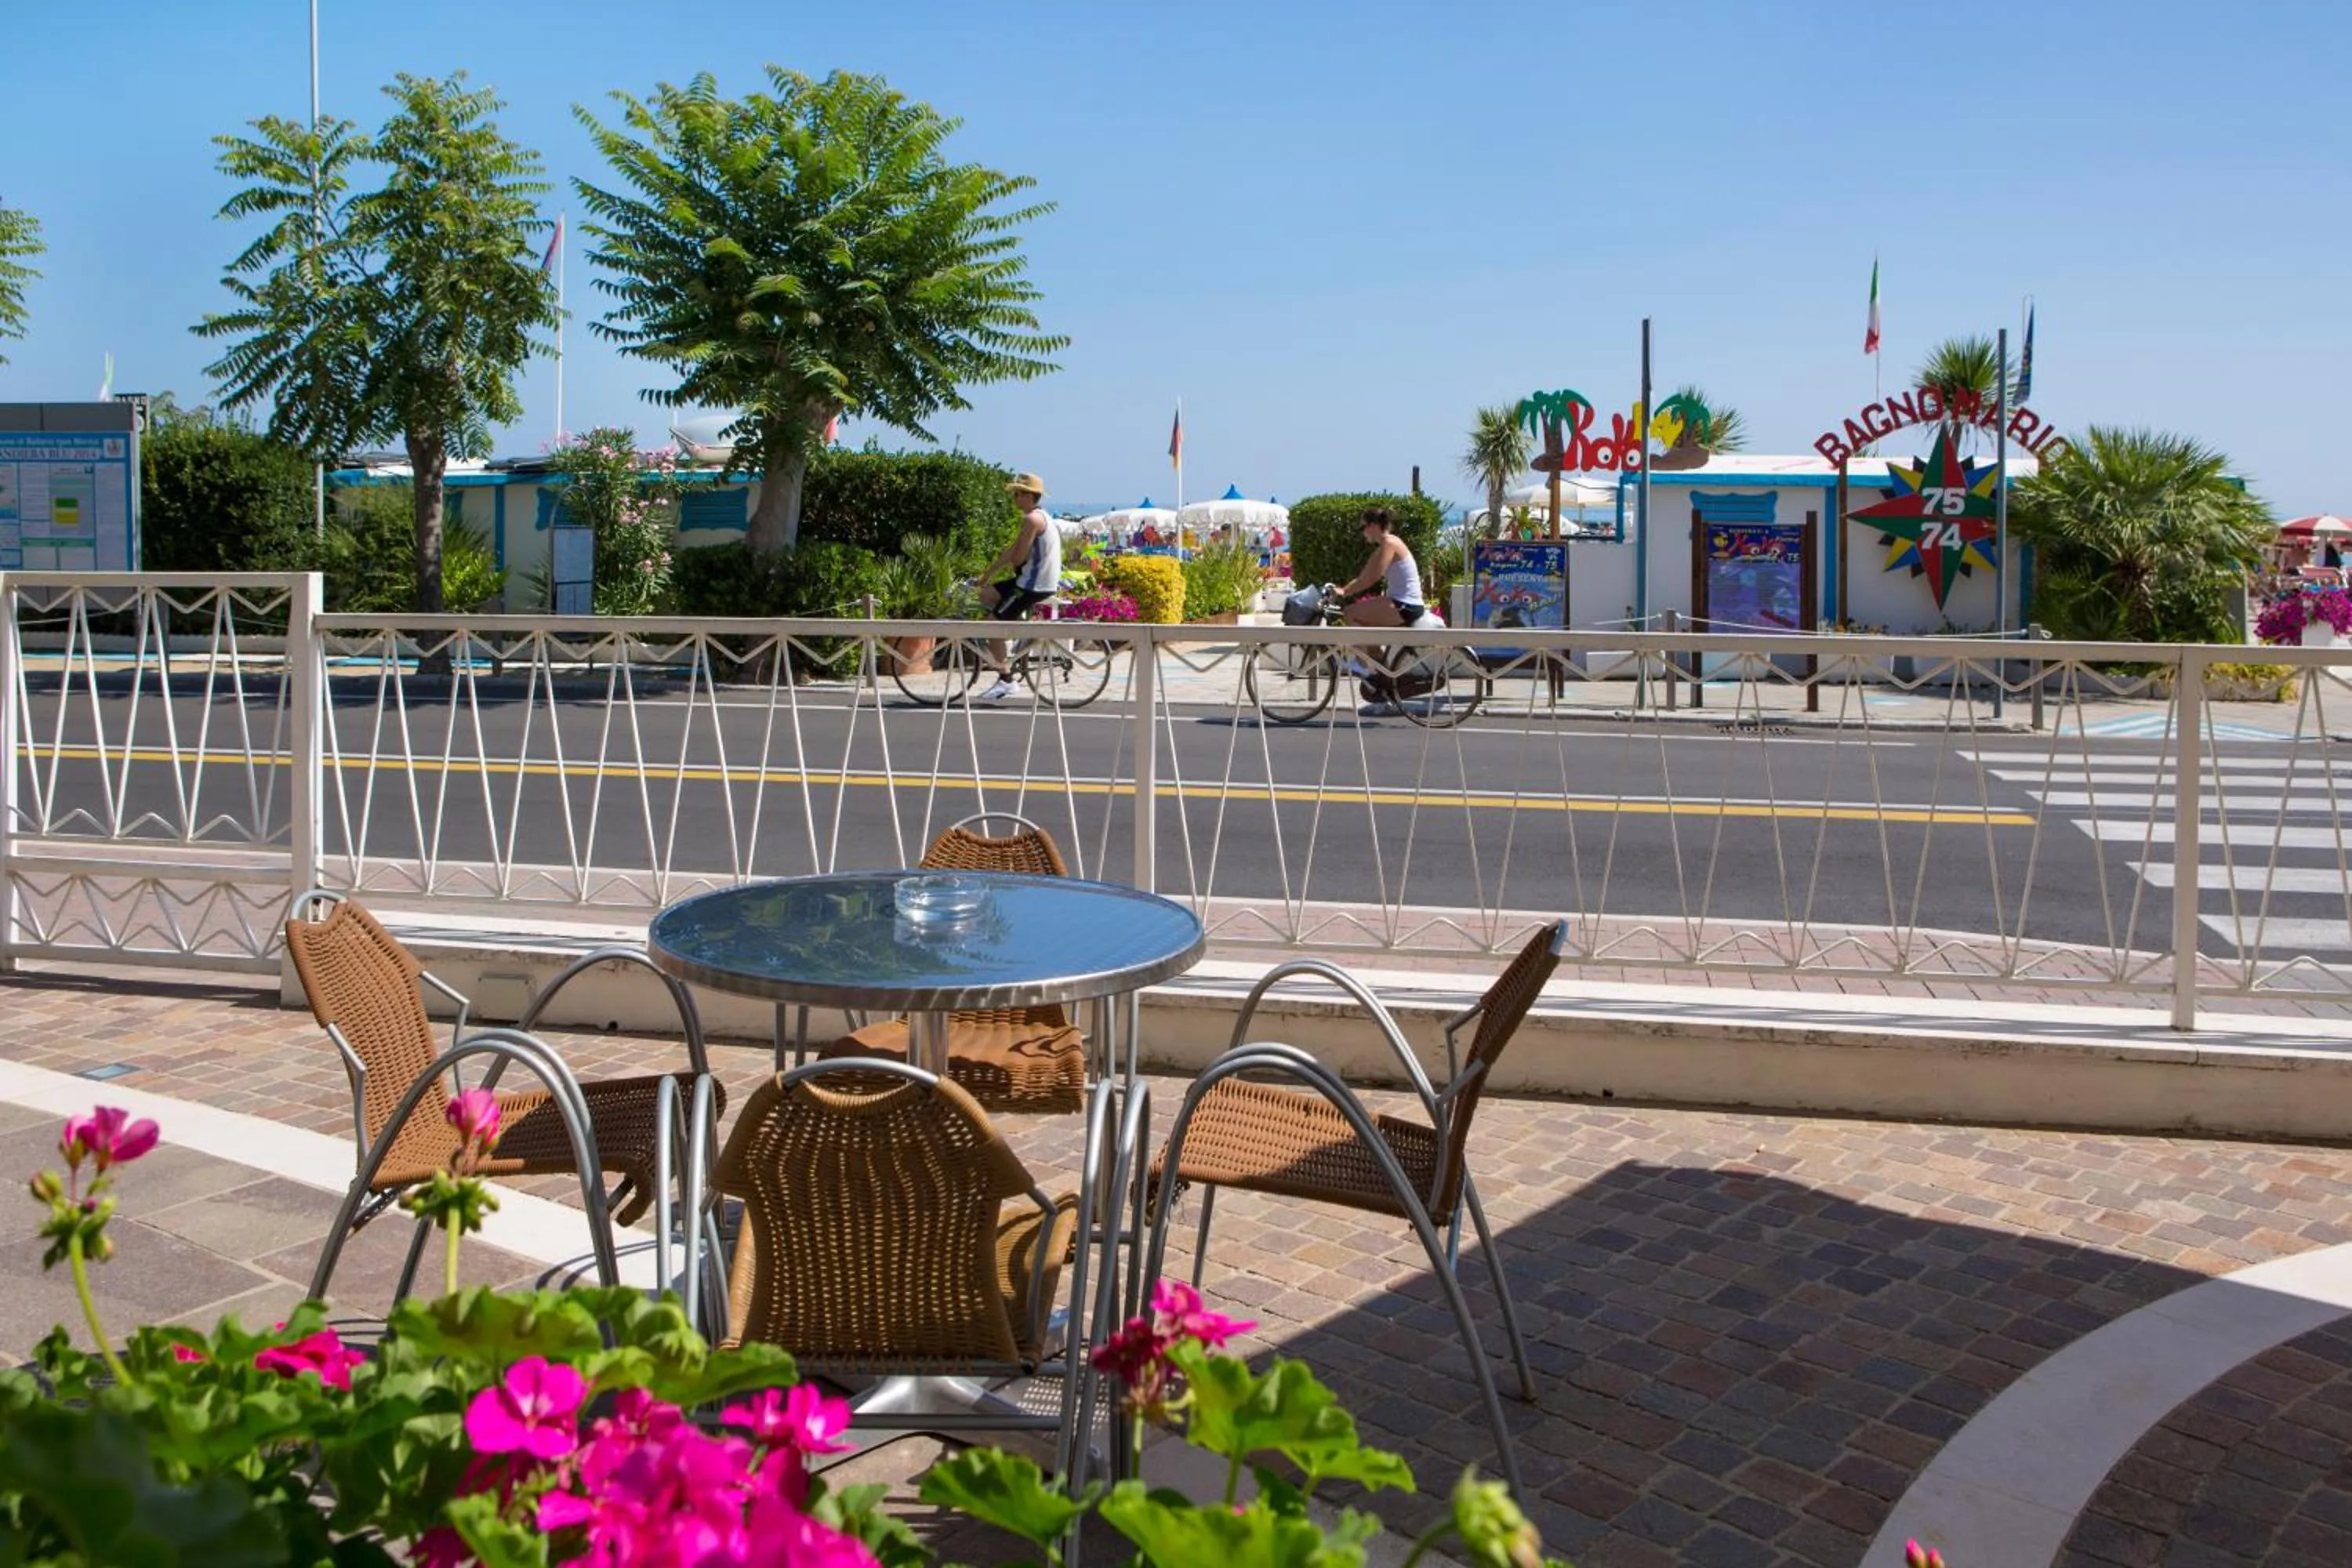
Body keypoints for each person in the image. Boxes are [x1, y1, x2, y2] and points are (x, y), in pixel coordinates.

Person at [975, 472, 1062, 700]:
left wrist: (1012, 560)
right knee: (986, 595)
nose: (1013, 498)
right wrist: (987, 576)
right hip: (1035, 581)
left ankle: (1006, 680)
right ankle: (1019, 631)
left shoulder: (1031, 520)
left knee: (990, 626)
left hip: (1032, 585)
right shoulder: (1042, 516)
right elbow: (1011, 551)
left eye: (1017, 493)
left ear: (1028, 495)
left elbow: (1017, 558)